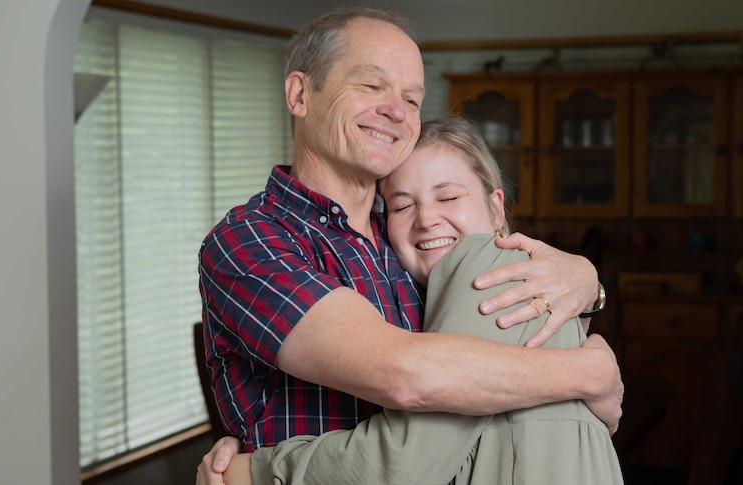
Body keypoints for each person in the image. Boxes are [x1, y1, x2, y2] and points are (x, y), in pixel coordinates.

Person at [197, 6, 621, 483]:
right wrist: (588, 375)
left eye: (413, 99)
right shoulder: (251, 240)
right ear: (300, 94)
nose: (397, 111)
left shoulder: (419, 243)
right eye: (372, 85)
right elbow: (404, 376)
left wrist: (587, 281)